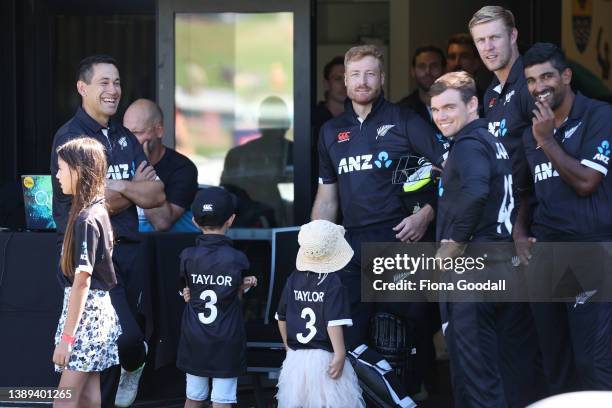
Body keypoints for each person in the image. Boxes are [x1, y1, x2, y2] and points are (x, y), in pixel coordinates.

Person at [312, 44, 447, 407]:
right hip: (351, 243)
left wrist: (426, 214)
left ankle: (416, 391)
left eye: (370, 73)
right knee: (347, 331)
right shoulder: (330, 132)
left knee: (403, 334)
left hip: (400, 239)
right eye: (354, 74)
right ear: (343, 80)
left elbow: (449, 171)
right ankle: (390, 399)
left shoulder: (406, 121)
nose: (361, 81)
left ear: (382, 78)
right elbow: (327, 199)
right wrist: (312, 253)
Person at [50, 54, 165, 408]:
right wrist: (129, 190)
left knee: (97, 376)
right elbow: (83, 207)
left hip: (129, 253)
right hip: (96, 261)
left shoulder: (124, 137)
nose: (113, 90)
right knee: (123, 344)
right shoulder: (72, 138)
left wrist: (121, 188)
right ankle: (134, 360)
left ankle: (131, 363)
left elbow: (156, 195)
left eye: (116, 82)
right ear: (82, 88)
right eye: (104, 82)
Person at [431, 71, 543, 408]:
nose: (441, 117)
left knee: (476, 378)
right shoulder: (490, 141)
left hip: (473, 269)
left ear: (473, 104)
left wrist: (453, 242)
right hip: (500, 267)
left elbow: (478, 191)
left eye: (449, 107)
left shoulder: (467, 144)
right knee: (502, 373)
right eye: (435, 110)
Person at [516, 42, 612, 394]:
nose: (539, 86)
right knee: (553, 361)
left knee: (592, 361)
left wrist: (547, 140)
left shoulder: (600, 115)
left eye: (547, 76)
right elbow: (524, 192)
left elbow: (588, 182)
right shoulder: (532, 131)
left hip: (591, 252)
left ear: (566, 76)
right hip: (547, 254)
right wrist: (519, 229)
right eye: (531, 80)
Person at [52, 137, 121, 407]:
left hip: (86, 317)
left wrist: (67, 339)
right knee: (89, 396)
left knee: (65, 399)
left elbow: (82, 281)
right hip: (96, 312)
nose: (57, 175)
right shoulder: (96, 212)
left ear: (78, 170)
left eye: (61, 168)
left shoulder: (87, 219)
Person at [176, 186, 257, 408]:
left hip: (194, 337)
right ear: (231, 220)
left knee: (193, 397)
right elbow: (232, 292)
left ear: (194, 221)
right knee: (222, 400)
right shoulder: (237, 259)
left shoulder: (187, 256)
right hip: (226, 339)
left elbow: (185, 289)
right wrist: (244, 285)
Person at [275, 219, 364, 408]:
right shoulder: (333, 283)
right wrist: (340, 354)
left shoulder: (293, 279)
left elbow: (281, 317)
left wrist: (287, 346)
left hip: (296, 358)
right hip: (325, 357)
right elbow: (333, 322)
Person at [469, 6, 535, 207]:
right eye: (481, 40)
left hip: (534, 212)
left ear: (512, 35)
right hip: (504, 206)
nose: (488, 47)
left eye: (494, 37)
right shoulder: (490, 92)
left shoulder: (531, 83)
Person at [123, 98, 199, 233]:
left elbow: (162, 223)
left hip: (162, 250)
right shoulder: (118, 161)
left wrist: (144, 167)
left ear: (159, 131)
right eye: (126, 133)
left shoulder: (182, 168)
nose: (130, 140)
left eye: (137, 133)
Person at [221, 96, 293, 226]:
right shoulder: (237, 155)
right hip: (245, 226)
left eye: (278, 120)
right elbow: (226, 196)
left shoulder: (298, 153)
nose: (274, 126)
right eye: (270, 120)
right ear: (260, 122)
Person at [398, 45, 446, 126]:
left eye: (434, 66)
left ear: (444, 70)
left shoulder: (457, 106)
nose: (427, 72)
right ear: (413, 71)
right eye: (422, 66)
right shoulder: (401, 111)